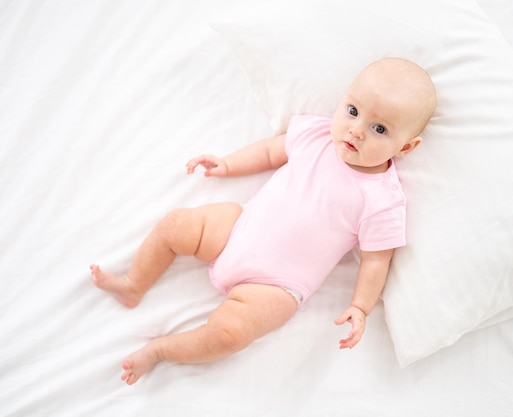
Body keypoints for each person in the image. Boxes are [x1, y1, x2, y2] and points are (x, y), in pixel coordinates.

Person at [90, 57, 437, 385]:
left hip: (277, 285)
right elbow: (271, 152)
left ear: (405, 148)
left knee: (232, 333)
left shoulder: (383, 200)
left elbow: (377, 259)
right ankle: (134, 284)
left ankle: (160, 350)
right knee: (176, 224)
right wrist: (227, 164)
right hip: (236, 230)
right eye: (352, 111)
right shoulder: (317, 136)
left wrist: (360, 307)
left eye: (379, 128)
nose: (356, 131)